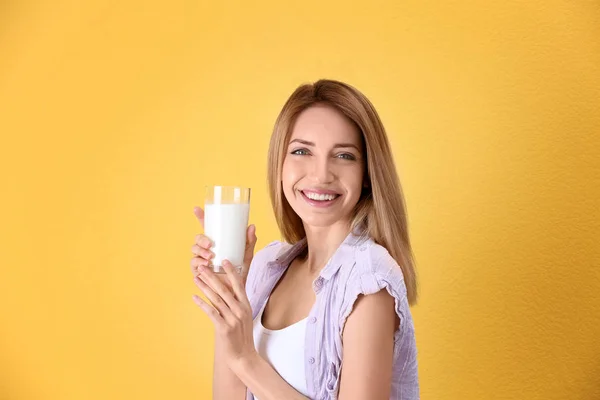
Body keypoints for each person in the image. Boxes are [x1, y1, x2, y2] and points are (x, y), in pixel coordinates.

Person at [190, 79, 419, 400]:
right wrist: (231, 292)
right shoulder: (269, 267)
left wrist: (246, 360)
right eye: (301, 151)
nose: (321, 174)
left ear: (367, 174)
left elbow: (243, 361)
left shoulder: (368, 282)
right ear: (280, 164)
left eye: (344, 155)